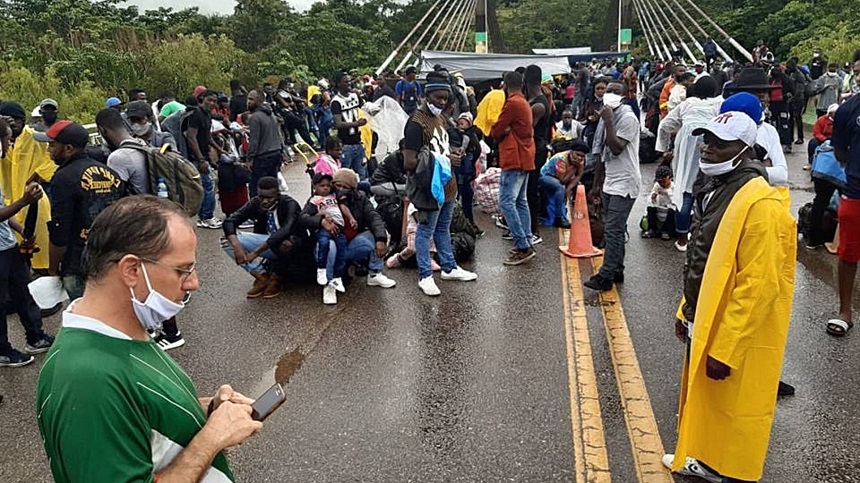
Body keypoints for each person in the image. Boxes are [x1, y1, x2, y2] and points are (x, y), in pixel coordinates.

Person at [37, 196, 262, 482]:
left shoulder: (120, 335)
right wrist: (211, 439)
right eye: (183, 269)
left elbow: (137, 415)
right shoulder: (87, 379)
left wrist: (207, 410)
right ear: (132, 270)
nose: (194, 282)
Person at [664, 111, 796, 483]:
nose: (708, 148)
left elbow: (758, 286)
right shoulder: (716, 190)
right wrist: (685, 310)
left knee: (732, 410)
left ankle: (729, 472)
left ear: (745, 150)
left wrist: (726, 348)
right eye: (706, 140)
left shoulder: (762, 206)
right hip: (703, 317)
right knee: (705, 401)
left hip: (733, 333)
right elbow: (701, 260)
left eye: (719, 143)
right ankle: (703, 459)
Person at [402, 72, 478, 295]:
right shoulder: (415, 123)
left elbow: (439, 147)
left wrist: (453, 152)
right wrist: (444, 159)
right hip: (429, 188)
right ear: (426, 96)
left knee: (443, 228)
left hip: (448, 184)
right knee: (425, 231)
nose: (442, 102)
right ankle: (425, 275)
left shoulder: (441, 118)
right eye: (438, 98)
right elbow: (410, 162)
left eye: (445, 99)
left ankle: (449, 266)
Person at [36, 121, 125, 301]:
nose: (48, 150)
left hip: (78, 262)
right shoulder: (110, 172)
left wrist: (53, 268)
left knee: (86, 314)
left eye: (52, 145)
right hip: (111, 255)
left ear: (68, 148)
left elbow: (59, 230)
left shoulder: (63, 177)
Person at [301, 168, 396, 301]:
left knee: (379, 232)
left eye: (345, 187)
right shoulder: (321, 197)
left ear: (352, 189)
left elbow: (374, 217)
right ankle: (329, 284)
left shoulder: (360, 198)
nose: (340, 189)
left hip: (350, 242)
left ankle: (374, 273)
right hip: (328, 244)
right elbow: (303, 218)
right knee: (330, 247)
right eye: (337, 185)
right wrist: (321, 221)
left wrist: (381, 239)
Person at [584, 81, 641, 291]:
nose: (610, 94)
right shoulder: (605, 118)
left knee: (613, 230)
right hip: (610, 181)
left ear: (624, 96)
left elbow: (616, 148)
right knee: (615, 228)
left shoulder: (626, 118)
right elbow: (600, 155)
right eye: (608, 90)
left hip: (625, 181)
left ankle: (606, 275)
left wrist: (608, 122)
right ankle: (617, 269)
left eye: (616, 92)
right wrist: (596, 185)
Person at [656, 75, 721, 251]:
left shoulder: (687, 104)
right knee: (708, 187)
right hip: (709, 141)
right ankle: (704, 237)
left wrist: (663, 148)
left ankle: (682, 239)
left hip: (686, 143)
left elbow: (664, 125)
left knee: (685, 189)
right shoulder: (719, 104)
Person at [222, 177, 305, 299]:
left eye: (269, 198)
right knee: (226, 240)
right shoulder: (256, 202)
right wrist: (237, 246)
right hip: (269, 244)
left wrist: (256, 252)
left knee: (286, 244)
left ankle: (276, 279)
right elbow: (229, 222)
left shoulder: (289, 204)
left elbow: (285, 231)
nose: (264, 201)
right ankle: (261, 276)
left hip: (292, 247)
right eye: (261, 197)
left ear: (277, 194)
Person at [0, 178, 54, 367]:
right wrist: (24, 201)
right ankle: (3, 351)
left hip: (8, 246)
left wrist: (22, 230)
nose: (6, 146)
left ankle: (36, 337)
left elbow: (3, 209)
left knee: (23, 292)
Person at [0, 101, 56, 271]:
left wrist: (37, 174)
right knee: (13, 255)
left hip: (34, 201)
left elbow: (53, 158)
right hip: (7, 204)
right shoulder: (4, 140)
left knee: (39, 252)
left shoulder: (35, 137)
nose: (13, 124)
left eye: (16, 120)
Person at [491, 71, 537, 266]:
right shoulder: (524, 101)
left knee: (506, 202)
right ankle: (526, 239)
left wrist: (502, 129)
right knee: (520, 201)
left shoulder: (512, 103)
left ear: (505, 85)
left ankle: (522, 245)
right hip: (525, 156)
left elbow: (497, 129)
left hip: (514, 157)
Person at [827, 92, 860, 335]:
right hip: (856, 192)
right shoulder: (849, 109)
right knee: (849, 253)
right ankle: (844, 312)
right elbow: (840, 151)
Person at [723, 68, 789, 186]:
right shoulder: (723, 128)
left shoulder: (768, 130)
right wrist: (762, 166)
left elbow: (781, 175)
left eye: (762, 96)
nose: (759, 101)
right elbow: (720, 171)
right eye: (752, 96)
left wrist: (744, 170)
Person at [305, 173, 353, 298]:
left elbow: (343, 207)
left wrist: (351, 218)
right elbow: (305, 217)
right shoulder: (314, 200)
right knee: (325, 245)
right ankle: (322, 271)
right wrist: (322, 217)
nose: (326, 188)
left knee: (342, 253)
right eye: (322, 185)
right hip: (324, 229)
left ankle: (337, 277)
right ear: (315, 186)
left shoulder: (335, 196)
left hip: (339, 230)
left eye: (328, 185)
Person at [184, 89, 223, 229]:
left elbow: (207, 136)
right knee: (209, 185)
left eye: (214, 101)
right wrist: (201, 160)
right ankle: (207, 217)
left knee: (205, 186)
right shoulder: (196, 114)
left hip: (204, 155)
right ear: (202, 99)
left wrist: (220, 150)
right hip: (196, 157)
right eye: (209, 100)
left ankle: (203, 217)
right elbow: (191, 137)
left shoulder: (207, 115)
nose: (212, 103)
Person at [524, 65, 552, 244]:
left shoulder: (539, 104)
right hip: (535, 148)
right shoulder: (537, 99)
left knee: (531, 190)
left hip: (536, 149)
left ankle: (533, 230)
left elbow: (526, 128)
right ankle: (529, 227)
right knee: (527, 190)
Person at [96, 108, 150, 195]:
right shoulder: (142, 143)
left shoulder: (118, 157)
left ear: (102, 130)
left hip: (138, 206)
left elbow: (113, 195)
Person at [539, 140, 586, 228]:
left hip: (561, 177)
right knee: (560, 188)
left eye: (582, 156)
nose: (579, 158)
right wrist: (574, 169)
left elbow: (579, 175)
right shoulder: (561, 159)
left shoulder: (579, 161)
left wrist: (569, 189)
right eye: (577, 154)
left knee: (574, 186)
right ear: (571, 152)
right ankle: (558, 218)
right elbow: (563, 180)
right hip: (545, 176)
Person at [331, 71, 368, 181]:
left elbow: (365, 108)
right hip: (345, 144)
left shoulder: (355, 96)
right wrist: (357, 123)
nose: (349, 83)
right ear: (338, 84)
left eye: (349, 81)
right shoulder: (336, 102)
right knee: (344, 176)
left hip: (357, 141)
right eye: (346, 82)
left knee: (361, 175)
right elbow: (338, 124)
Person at [246, 90, 282, 198]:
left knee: (256, 187)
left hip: (263, 156)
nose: (248, 102)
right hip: (275, 153)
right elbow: (278, 135)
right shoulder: (272, 115)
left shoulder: (255, 117)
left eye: (251, 99)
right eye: (248, 99)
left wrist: (250, 159)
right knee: (272, 185)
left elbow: (254, 141)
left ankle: (256, 212)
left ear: (259, 101)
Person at [641, 165, 676, 239]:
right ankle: (652, 229)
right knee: (650, 209)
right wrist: (653, 197)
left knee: (672, 212)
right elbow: (650, 200)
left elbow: (675, 201)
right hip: (659, 207)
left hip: (669, 209)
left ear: (669, 178)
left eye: (663, 181)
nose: (661, 184)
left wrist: (667, 192)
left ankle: (666, 231)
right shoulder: (657, 186)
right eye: (659, 181)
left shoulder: (673, 187)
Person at [786, 58, 811, 146]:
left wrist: (793, 97)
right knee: (791, 118)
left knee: (797, 117)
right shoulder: (792, 74)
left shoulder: (799, 75)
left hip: (798, 99)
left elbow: (800, 89)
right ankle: (791, 136)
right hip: (792, 98)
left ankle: (800, 137)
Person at [805, 103, 837, 170]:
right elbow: (816, 132)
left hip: (836, 140)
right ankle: (811, 162)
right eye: (834, 113)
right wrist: (824, 139)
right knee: (813, 143)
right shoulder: (821, 120)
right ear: (830, 113)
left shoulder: (841, 121)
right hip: (823, 139)